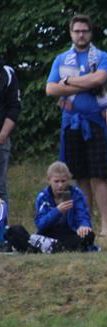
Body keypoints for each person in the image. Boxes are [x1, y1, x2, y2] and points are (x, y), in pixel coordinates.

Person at [45, 13, 107, 238]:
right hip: (71, 123)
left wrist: (67, 82)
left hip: (95, 121)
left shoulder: (101, 56)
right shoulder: (62, 59)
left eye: (84, 30)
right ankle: (86, 223)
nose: (81, 34)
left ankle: (106, 225)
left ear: (90, 33)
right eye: (77, 31)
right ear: (71, 33)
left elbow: (98, 80)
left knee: (99, 174)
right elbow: (50, 89)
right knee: (79, 175)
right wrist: (82, 83)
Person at [5, 161, 97, 253]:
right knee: (14, 231)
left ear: (68, 180)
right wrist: (57, 211)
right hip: (47, 236)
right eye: (56, 181)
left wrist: (83, 226)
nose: (60, 185)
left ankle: (50, 248)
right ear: (49, 180)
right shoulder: (43, 197)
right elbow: (40, 224)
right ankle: (55, 247)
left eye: (63, 181)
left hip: (69, 234)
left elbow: (83, 215)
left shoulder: (76, 194)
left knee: (88, 235)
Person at [0, 59, 21, 219]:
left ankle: (1, 231)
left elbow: (14, 107)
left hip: (1, 138)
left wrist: (3, 135)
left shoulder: (6, 72)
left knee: (0, 188)